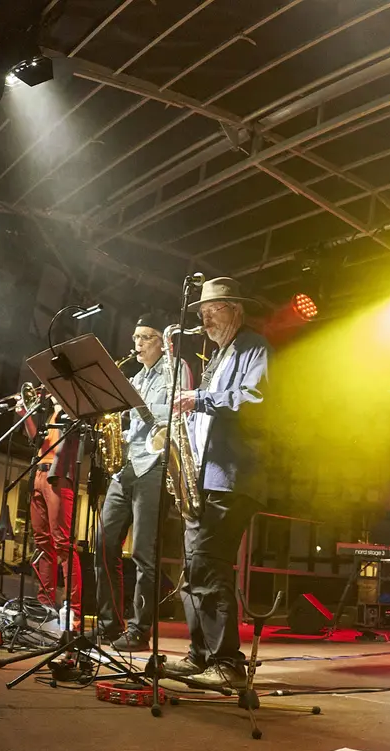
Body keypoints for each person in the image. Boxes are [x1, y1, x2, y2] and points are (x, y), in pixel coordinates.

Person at [165, 277, 269, 689]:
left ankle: (227, 664)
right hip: (204, 477)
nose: (206, 318)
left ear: (236, 310)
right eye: (203, 312)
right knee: (193, 571)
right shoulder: (218, 354)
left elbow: (254, 399)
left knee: (210, 567)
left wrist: (200, 399)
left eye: (215, 309)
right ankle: (200, 655)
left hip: (231, 477)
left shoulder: (254, 346)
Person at [96, 314, 189, 652]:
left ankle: (139, 630)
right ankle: (109, 625)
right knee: (103, 543)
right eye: (135, 338)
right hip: (126, 466)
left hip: (156, 465)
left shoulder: (176, 370)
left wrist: (142, 410)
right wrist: (114, 434)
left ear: (162, 342)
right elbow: (131, 424)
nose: (137, 344)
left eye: (145, 337)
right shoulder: (133, 378)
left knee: (143, 552)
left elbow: (178, 415)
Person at [15, 391, 82, 621]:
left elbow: (68, 442)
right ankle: (45, 603)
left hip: (59, 477)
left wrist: (60, 404)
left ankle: (73, 609)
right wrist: (26, 414)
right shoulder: (51, 414)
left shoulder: (71, 410)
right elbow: (37, 442)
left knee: (63, 543)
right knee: (43, 543)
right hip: (39, 476)